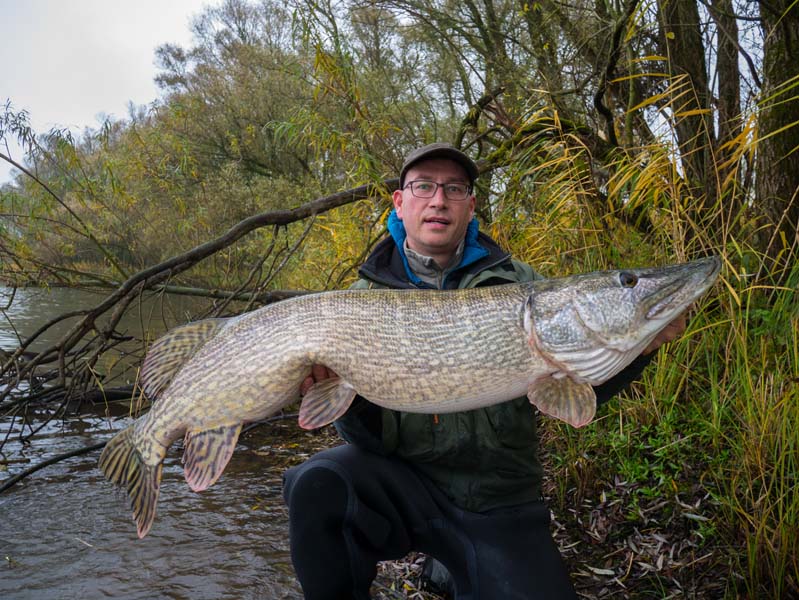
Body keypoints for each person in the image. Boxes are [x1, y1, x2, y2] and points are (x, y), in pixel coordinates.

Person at [282, 142, 687, 600]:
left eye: (454, 188)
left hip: (500, 498)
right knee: (316, 485)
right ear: (400, 201)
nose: (439, 200)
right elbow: (366, 441)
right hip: (405, 487)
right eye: (424, 186)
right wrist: (333, 390)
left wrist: (642, 347)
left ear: (471, 206)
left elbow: (579, 384)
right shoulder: (356, 301)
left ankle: (456, 567)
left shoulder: (522, 285)